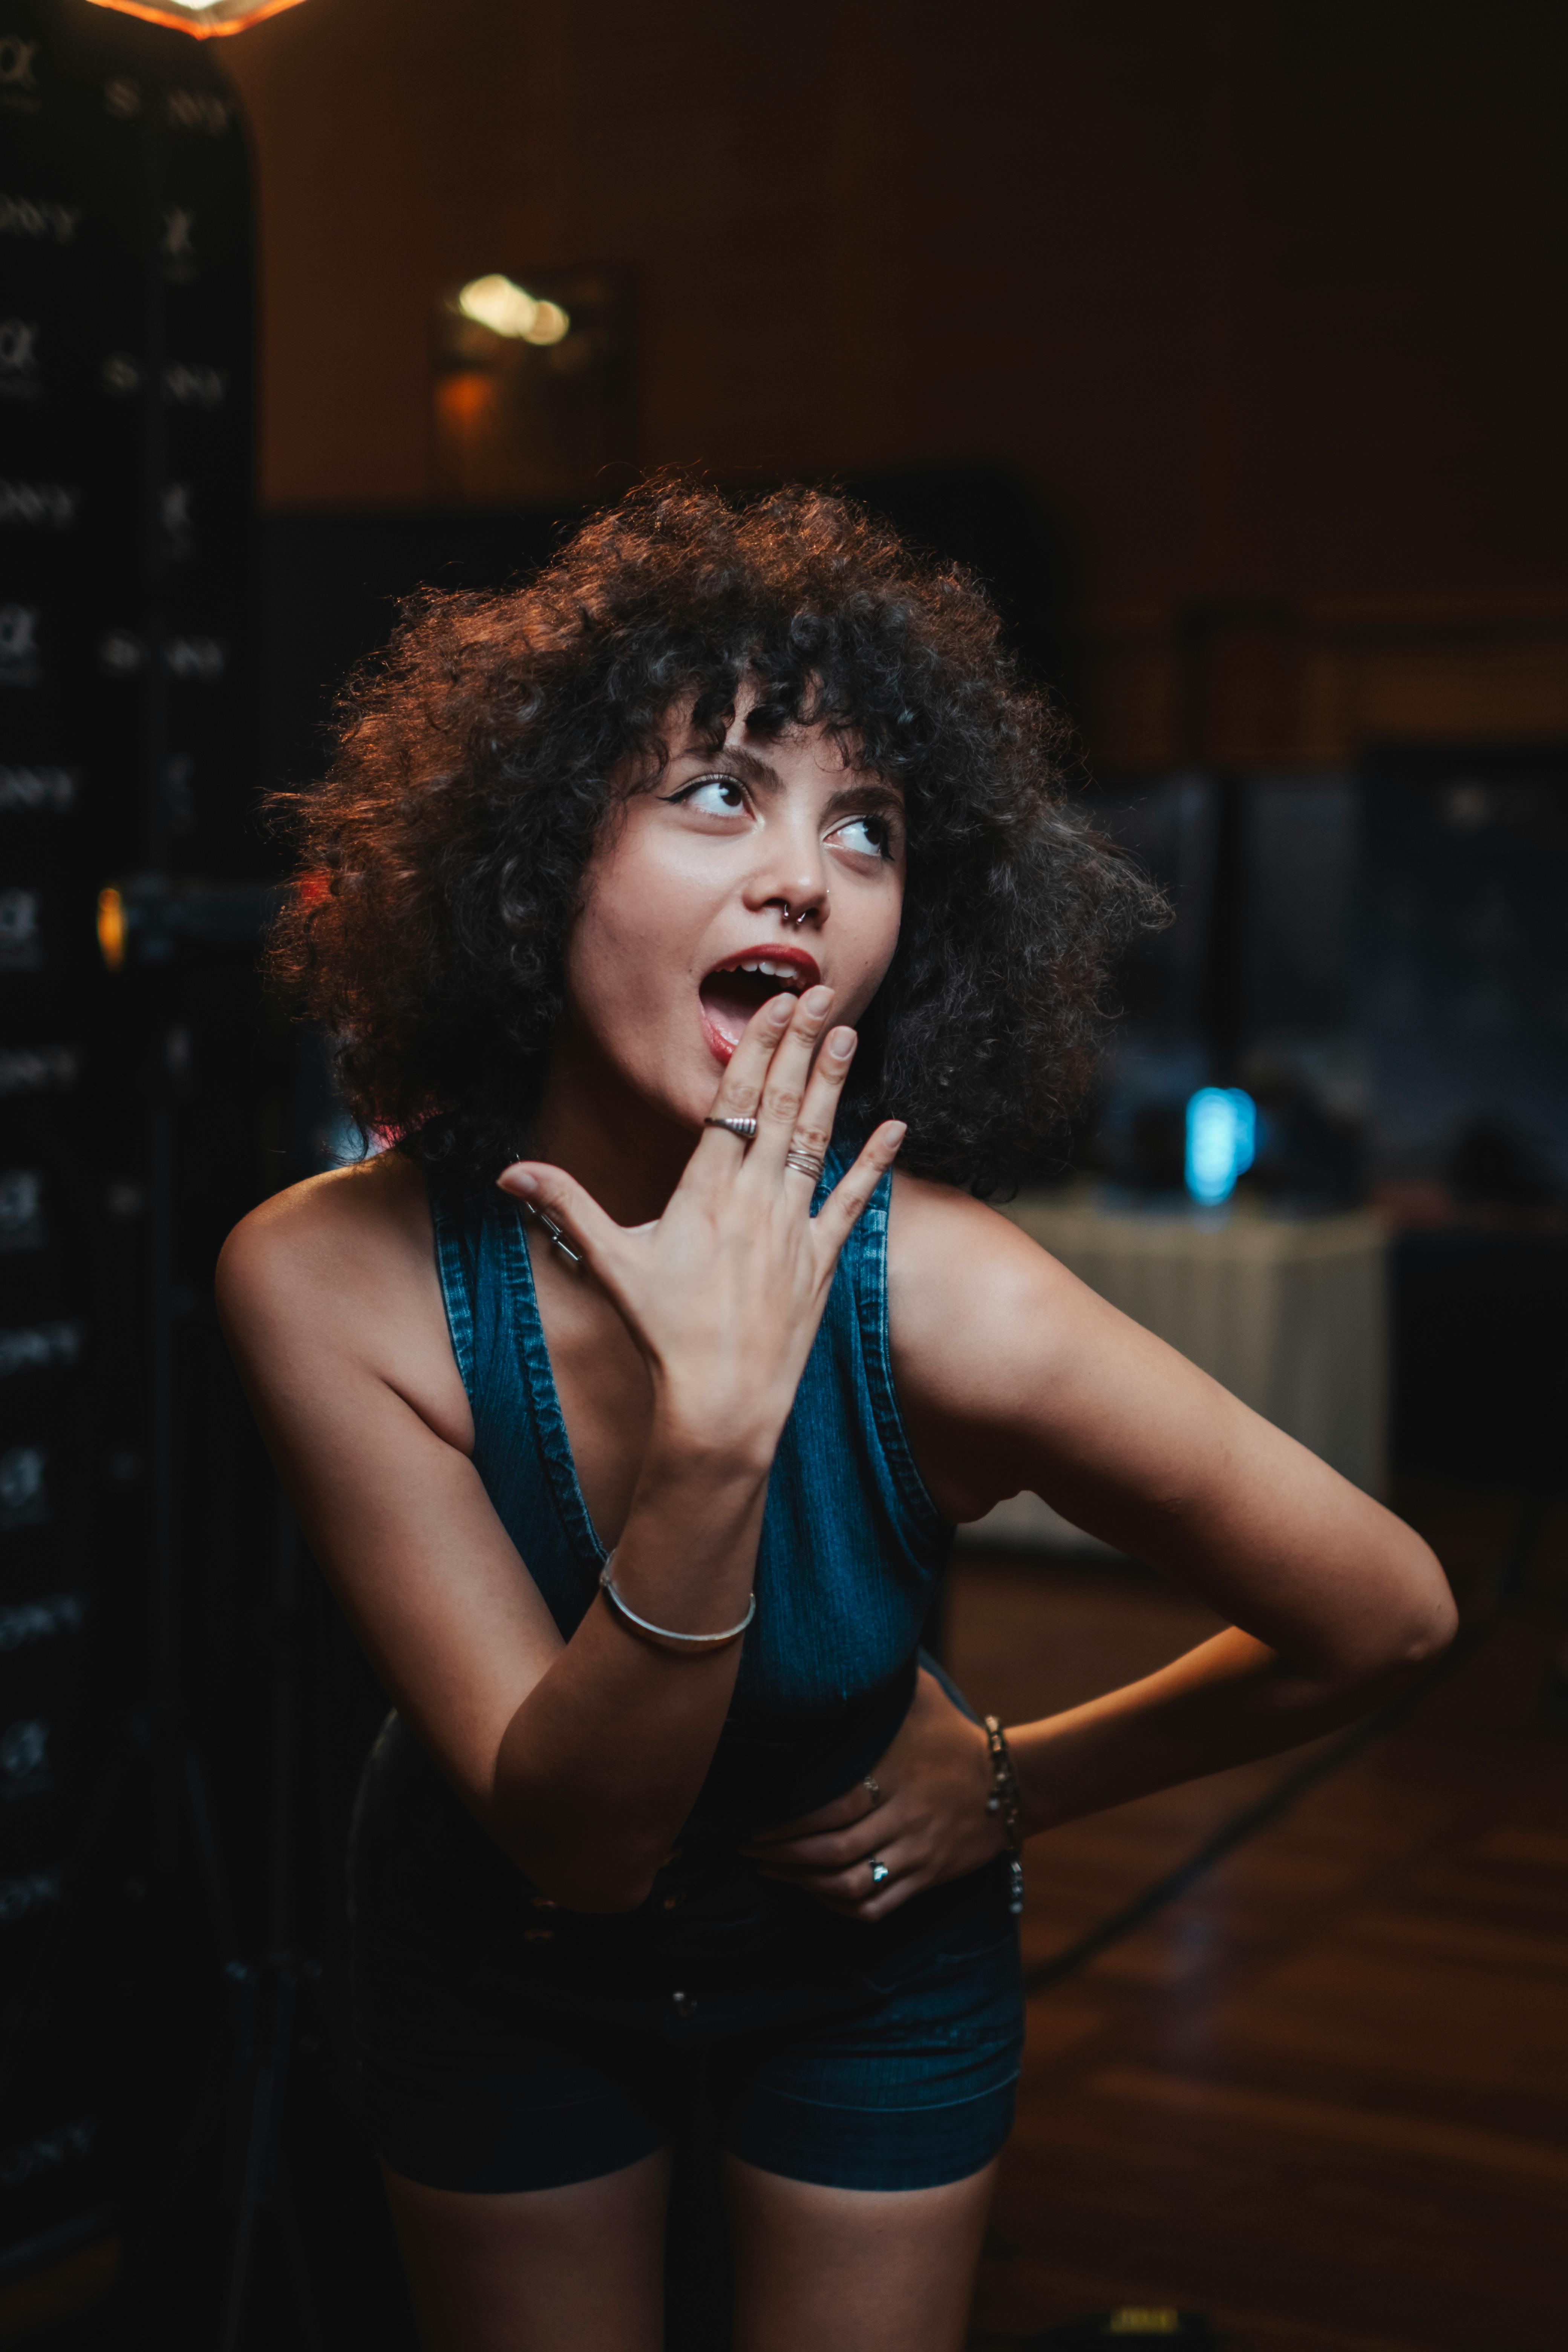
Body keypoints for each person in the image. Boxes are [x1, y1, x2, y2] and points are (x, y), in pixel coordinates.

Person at [216, 481, 1455, 2352]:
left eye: (862, 828)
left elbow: (1386, 1609)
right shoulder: (330, 1279)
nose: (805, 872)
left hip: (873, 1965)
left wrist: (1022, 1780)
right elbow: (582, 1843)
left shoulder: (948, 1293)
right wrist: (715, 1432)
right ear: (538, 851)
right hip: (493, 1958)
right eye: (720, 790)